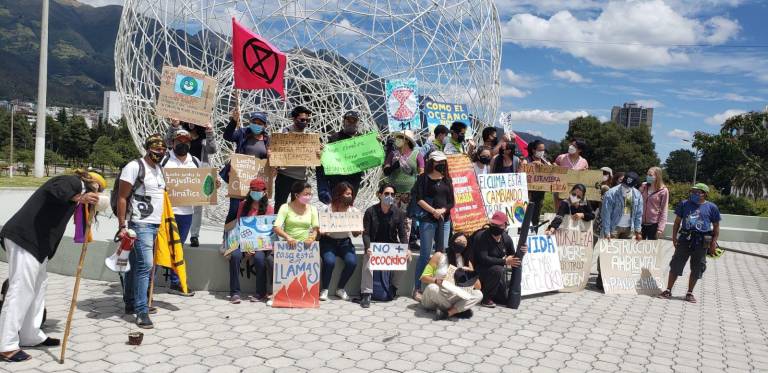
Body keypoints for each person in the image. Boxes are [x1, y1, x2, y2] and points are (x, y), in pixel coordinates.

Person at [0, 171, 105, 363]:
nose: (98, 192)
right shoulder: (72, 182)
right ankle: (6, 345)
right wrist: (80, 197)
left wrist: (81, 201)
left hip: (37, 243)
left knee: (38, 286)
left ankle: (30, 335)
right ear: (91, 182)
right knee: (20, 289)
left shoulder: (76, 191)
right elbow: (56, 191)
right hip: (25, 238)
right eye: (98, 188)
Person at [117, 134, 168, 329]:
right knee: (146, 265)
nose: (160, 153)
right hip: (139, 224)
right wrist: (122, 226)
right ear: (147, 149)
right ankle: (141, 310)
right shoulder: (134, 167)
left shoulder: (160, 170)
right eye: (156, 149)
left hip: (155, 225)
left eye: (163, 150)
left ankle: (130, 301)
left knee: (136, 264)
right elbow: (122, 197)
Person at [658, 183, 721, 303]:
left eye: (698, 192)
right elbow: (677, 222)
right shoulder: (684, 204)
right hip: (685, 238)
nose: (694, 194)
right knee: (676, 264)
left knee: (697, 267)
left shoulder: (712, 207)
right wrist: (674, 237)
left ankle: (689, 293)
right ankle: (668, 290)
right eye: (693, 191)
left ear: (705, 194)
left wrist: (713, 243)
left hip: (702, 241)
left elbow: (716, 227)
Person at [160, 129, 203, 296]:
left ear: (190, 144)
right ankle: (147, 283)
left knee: (179, 247)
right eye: (179, 141)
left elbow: (202, 184)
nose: (182, 144)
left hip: (186, 212)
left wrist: (213, 185)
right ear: (173, 143)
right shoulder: (164, 159)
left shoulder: (195, 162)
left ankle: (176, 283)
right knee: (159, 245)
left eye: (186, 141)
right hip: (165, 211)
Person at [166, 119, 218, 248]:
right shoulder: (180, 130)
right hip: (177, 169)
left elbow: (212, 150)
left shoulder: (204, 133)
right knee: (173, 200)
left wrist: (209, 132)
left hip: (197, 170)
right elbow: (168, 143)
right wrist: (174, 126)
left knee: (197, 206)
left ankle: (194, 235)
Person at [411, 151, 454, 301]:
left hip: (444, 220)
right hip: (428, 220)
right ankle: (417, 288)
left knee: (442, 254)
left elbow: (452, 202)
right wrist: (433, 211)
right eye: (437, 161)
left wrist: (443, 210)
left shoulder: (447, 179)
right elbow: (418, 199)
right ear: (431, 162)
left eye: (442, 161)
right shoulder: (423, 178)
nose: (440, 164)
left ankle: (440, 287)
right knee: (425, 254)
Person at [359, 184, 410, 308]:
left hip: (391, 247)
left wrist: (407, 248)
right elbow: (366, 233)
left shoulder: (399, 213)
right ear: (380, 195)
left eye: (392, 194)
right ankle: (366, 293)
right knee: (368, 258)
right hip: (374, 246)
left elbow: (402, 234)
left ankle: (393, 287)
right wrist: (367, 247)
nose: (389, 196)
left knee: (408, 259)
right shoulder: (370, 211)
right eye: (386, 193)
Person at [227, 178, 274, 304]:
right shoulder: (243, 205)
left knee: (259, 258)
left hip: (260, 244)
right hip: (243, 241)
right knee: (235, 256)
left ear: (264, 192)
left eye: (259, 191)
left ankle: (260, 292)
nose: (256, 193)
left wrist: (254, 247)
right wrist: (246, 246)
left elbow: (267, 232)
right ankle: (235, 292)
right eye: (253, 190)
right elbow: (239, 226)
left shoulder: (269, 209)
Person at [223, 110, 270, 224]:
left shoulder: (267, 139)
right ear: (250, 122)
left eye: (260, 123)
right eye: (254, 122)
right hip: (239, 177)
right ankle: (228, 234)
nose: (257, 125)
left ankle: (244, 235)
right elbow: (227, 136)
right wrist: (233, 121)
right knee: (234, 211)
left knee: (248, 211)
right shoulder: (242, 133)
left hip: (256, 182)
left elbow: (269, 162)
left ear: (265, 125)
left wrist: (270, 156)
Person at [473, 211, 527, 308]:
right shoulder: (482, 236)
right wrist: (505, 261)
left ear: (505, 226)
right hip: (480, 270)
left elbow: (513, 257)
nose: (495, 227)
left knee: (504, 300)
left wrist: (522, 251)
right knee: (498, 269)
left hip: (496, 273)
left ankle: (494, 294)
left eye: (499, 225)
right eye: (493, 224)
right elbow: (483, 259)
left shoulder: (506, 239)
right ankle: (486, 298)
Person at [319, 182, 360, 301]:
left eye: (351, 194)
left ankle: (340, 288)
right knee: (329, 262)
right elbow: (319, 228)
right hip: (328, 242)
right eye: (347, 194)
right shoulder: (326, 209)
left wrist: (357, 231)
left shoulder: (353, 211)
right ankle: (324, 289)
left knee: (352, 262)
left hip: (345, 243)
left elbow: (355, 234)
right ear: (339, 194)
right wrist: (322, 231)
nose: (350, 196)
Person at [317, 111, 365, 203]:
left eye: (354, 120)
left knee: (349, 203)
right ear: (344, 121)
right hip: (336, 179)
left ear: (358, 122)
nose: (351, 123)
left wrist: (376, 142)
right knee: (336, 203)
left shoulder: (362, 139)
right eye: (348, 120)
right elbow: (327, 157)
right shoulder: (335, 137)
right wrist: (323, 152)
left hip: (354, 179)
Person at [419, 251, 483, 320]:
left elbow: (478, 287)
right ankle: (458, 309)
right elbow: (423, 278)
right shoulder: (439, 256)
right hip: (435, 297)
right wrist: (437, 280)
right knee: (432, 287)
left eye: (464, 245)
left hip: (452, 297)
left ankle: (448, 313)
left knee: (478, 294)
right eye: (459, 243)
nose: (460, 246)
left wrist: (471, 273)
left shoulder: (466, 261)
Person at [273, 106, 313, 213]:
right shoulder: (285, 132)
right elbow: (275, 150)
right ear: (294, 119)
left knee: (298, 208)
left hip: (301, 178)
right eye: (302, 120)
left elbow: (313, 157)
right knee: (280, 206)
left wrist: (318, 153)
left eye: (307, 120)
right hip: (284, 176)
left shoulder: (309, 137)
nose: (305, 122)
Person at [600, 172, 643, 240]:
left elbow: (638, 214)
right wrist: (606, 231)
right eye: (624, 184)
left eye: (628, 186)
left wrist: (638, 231)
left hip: (629, 228)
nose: (625, 187)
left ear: (634, 185)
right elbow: (606, 214)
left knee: (627, 247)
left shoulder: (637, 195)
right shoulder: (611, 193)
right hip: (614, 228)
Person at [522, 140, 550, 232]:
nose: (542, 152)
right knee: (525, 215)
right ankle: (522, 234)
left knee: (536, 216)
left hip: (540, 193)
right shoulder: (526, 160)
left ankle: (534, 233)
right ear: (534, 150)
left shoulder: (545, 161)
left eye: (543, 150)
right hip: (528, 193)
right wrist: (532, 164)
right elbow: (521, 171)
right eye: (540, 150)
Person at [639, 167, 669, 240]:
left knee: (652, 246)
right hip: (640, 223)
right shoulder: (643, 186)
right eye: (647, 174)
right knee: (638, 245)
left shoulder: (664, 190)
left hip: (654, 225)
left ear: (657, 176)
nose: (648, 176)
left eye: (650, 175)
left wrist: (660, 228)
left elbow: (664, 210)